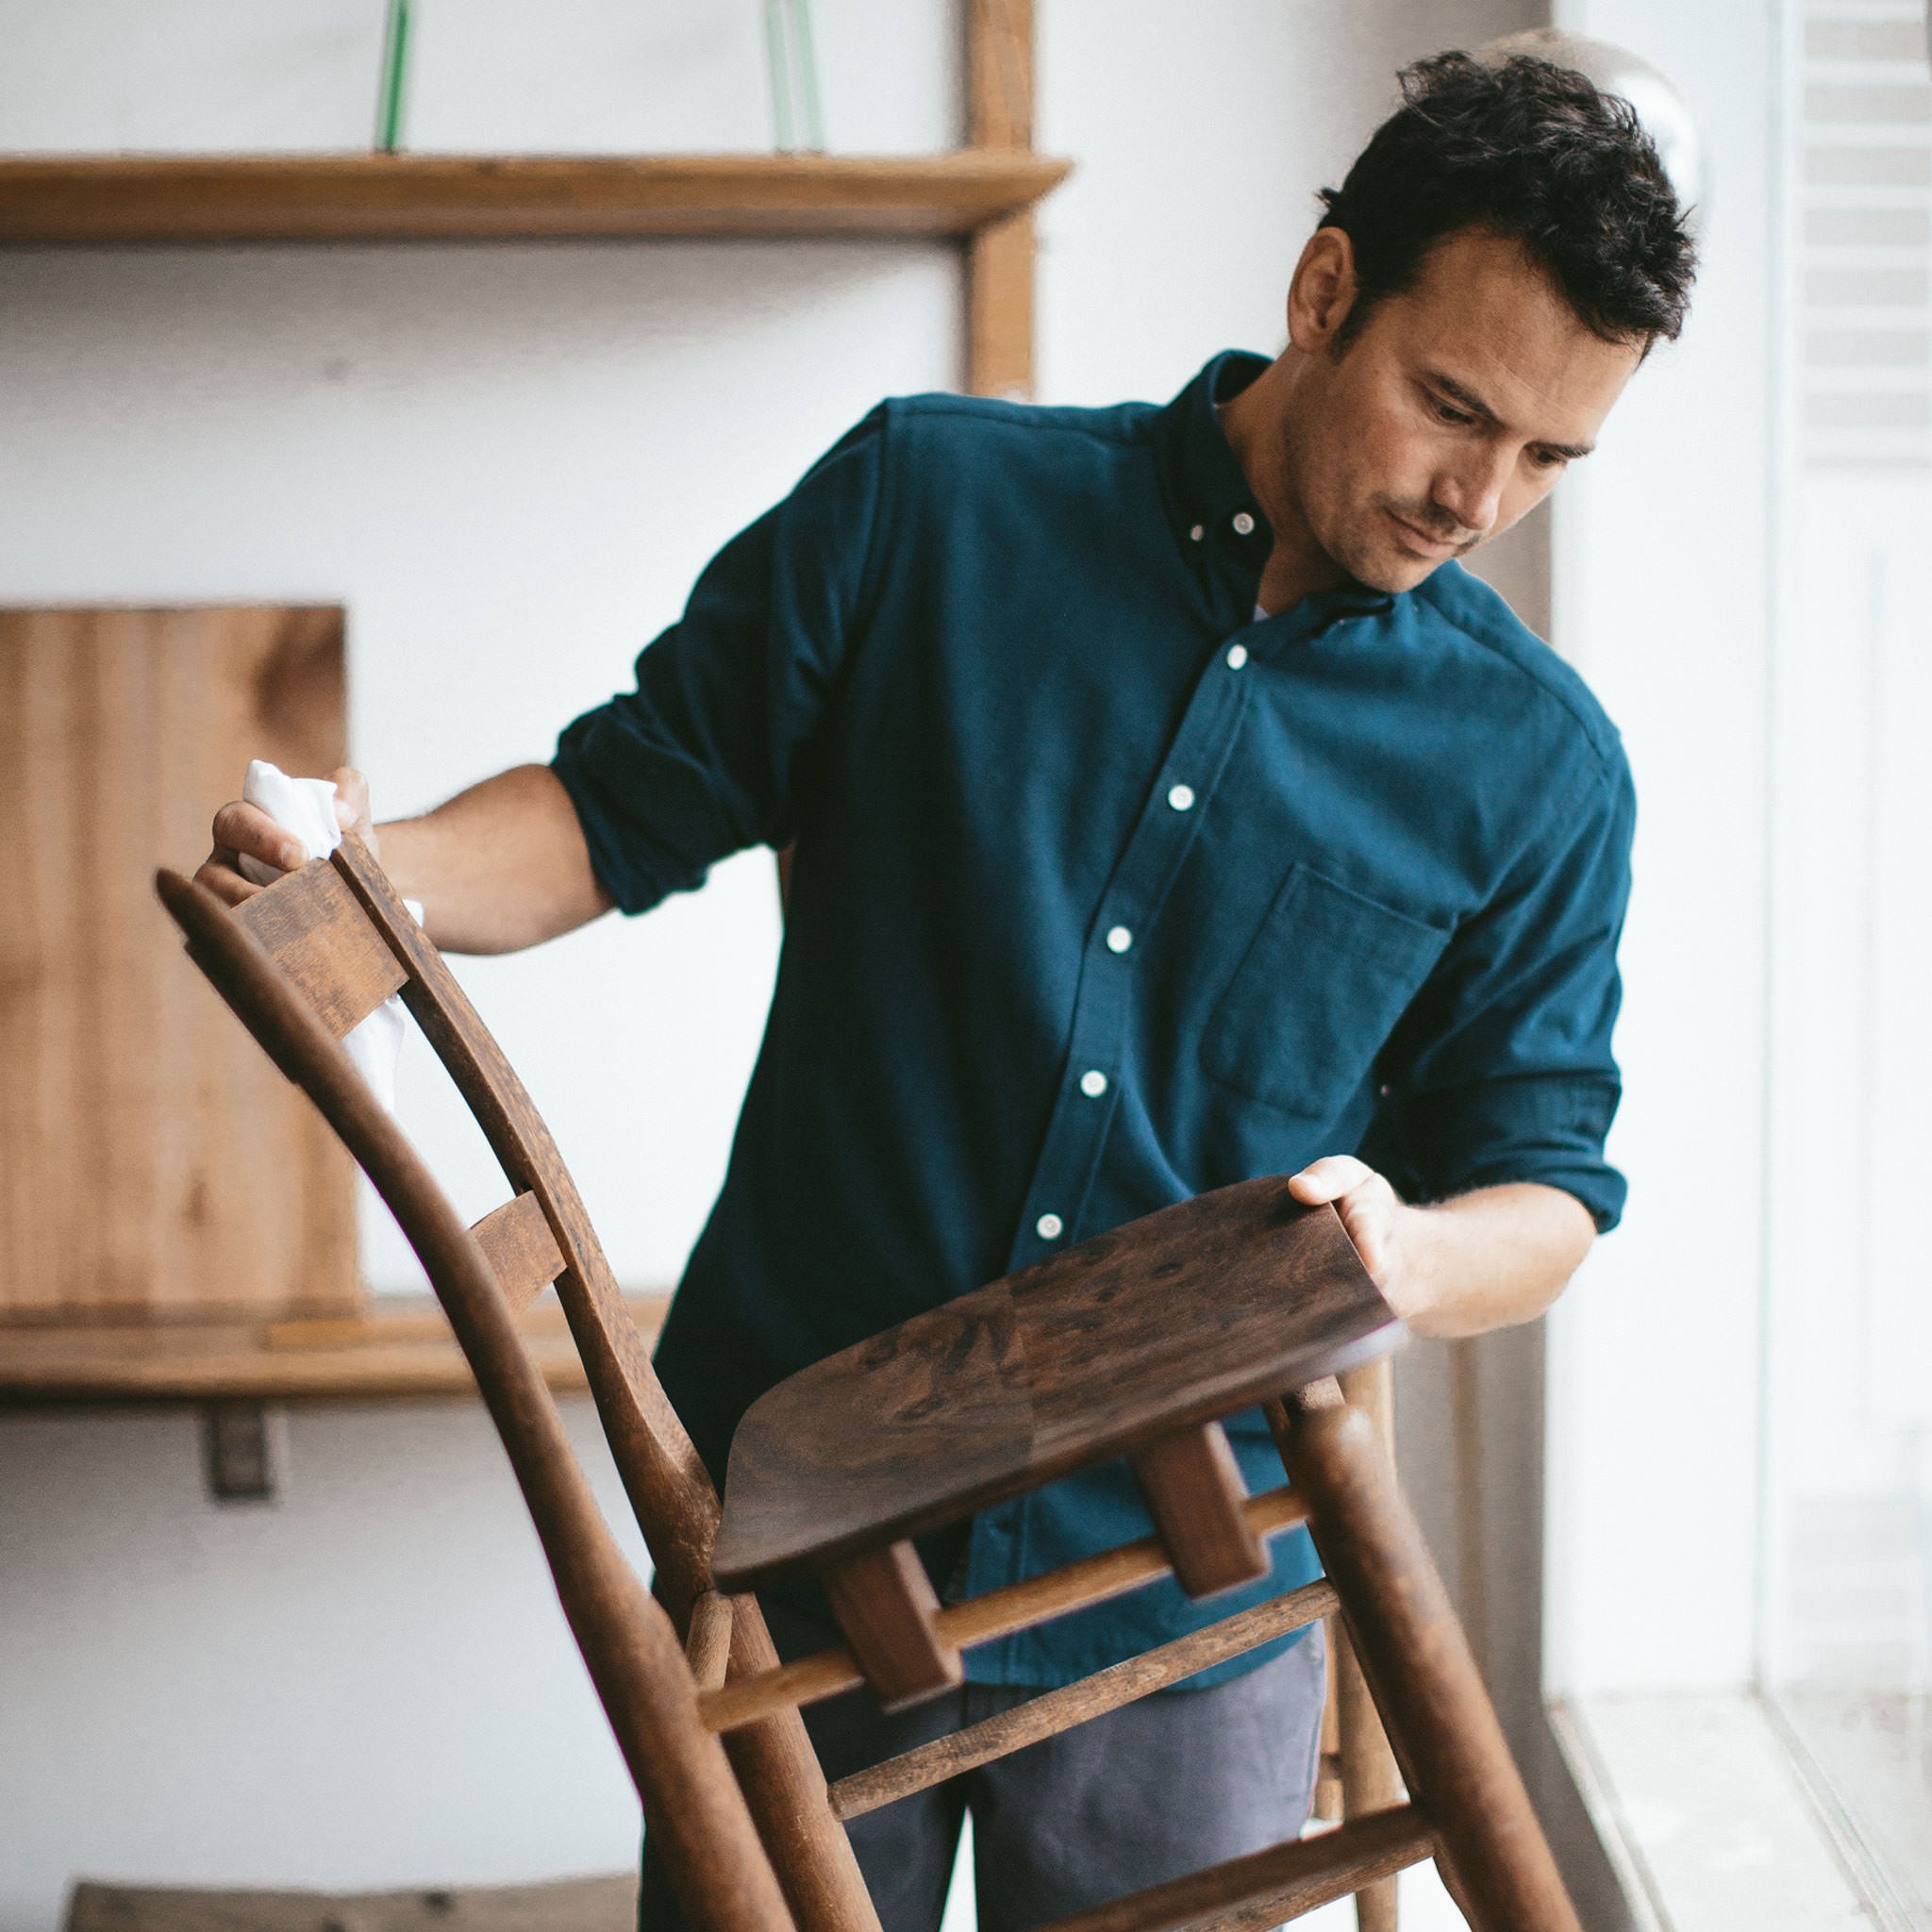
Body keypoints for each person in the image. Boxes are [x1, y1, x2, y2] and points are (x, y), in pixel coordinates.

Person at [200, 49, 1695, 1932]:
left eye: (1550, 457)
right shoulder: (929, 500)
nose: (1478, 497)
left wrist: (1402, 1254)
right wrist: (370, 865)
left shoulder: (1538, 764)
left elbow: (1547, 1192)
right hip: (797, 1532)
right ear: (1325, 292)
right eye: (1449, 406)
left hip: (1188, 1579)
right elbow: (611, 806)